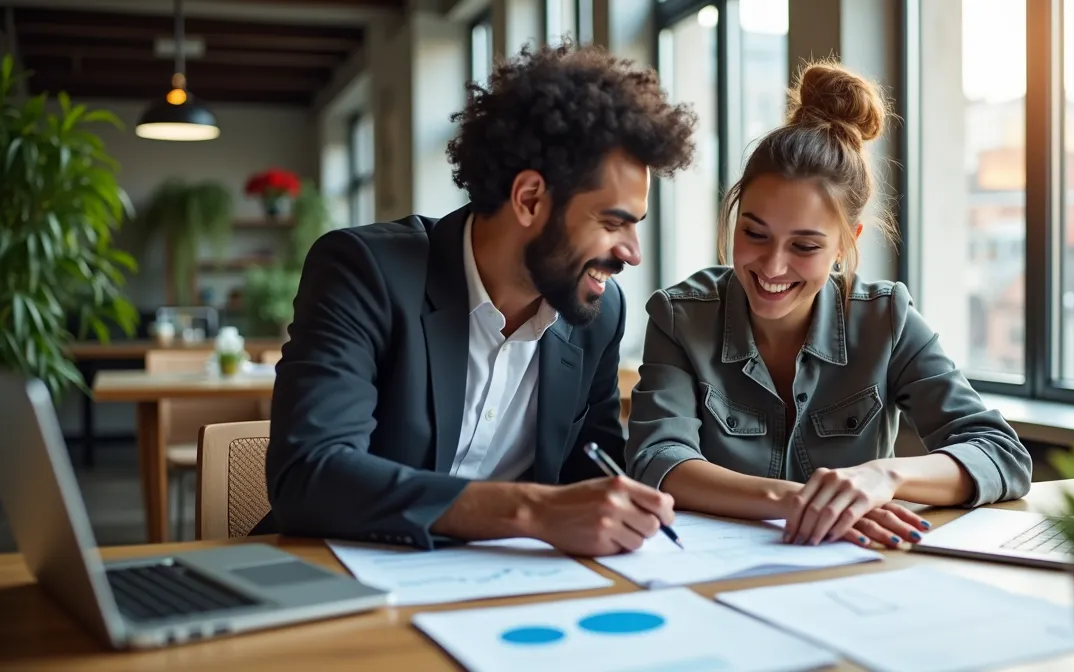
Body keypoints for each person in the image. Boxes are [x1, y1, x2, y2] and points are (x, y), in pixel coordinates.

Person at [256, 41, 699, 557]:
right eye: (611, 222)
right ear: (529, 199)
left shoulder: (599, 312)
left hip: (498, 585)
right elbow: (309, 474)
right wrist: (531, 511)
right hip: (334, 573)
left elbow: (588, 469)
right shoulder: (365, 271)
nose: (633, 254)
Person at [624, 61, 1032, 549]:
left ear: (845, 243)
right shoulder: (679, 316)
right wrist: (799, 501)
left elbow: (1001, 454)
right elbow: (658, 460)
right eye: (754, 234)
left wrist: (884, 477)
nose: (773, 266)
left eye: (804, 246)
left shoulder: (886, 319)